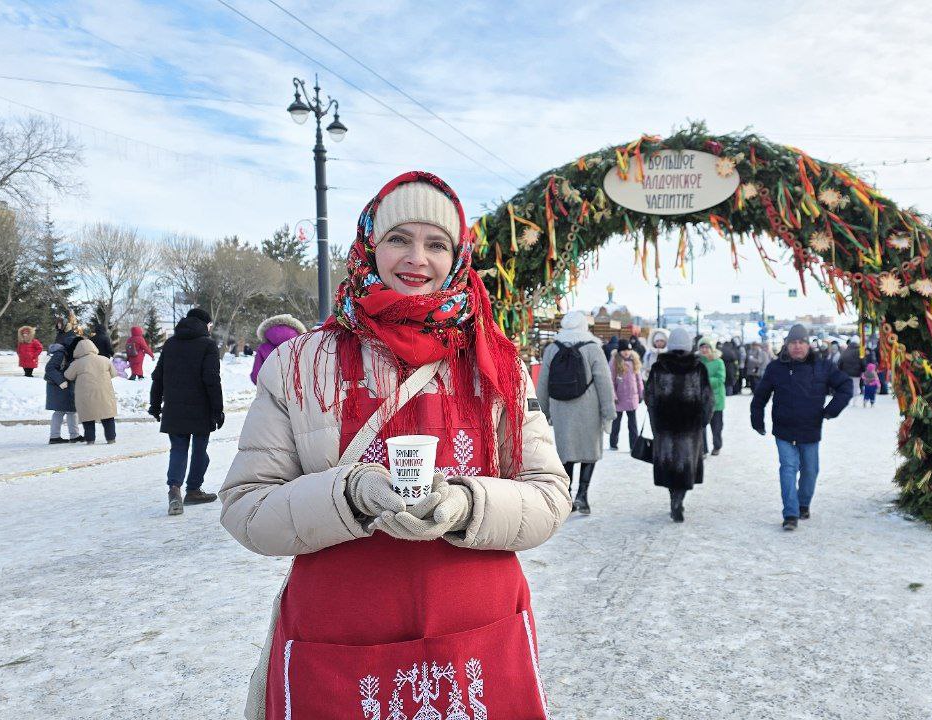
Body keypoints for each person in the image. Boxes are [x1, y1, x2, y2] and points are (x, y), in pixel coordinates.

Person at [219, 172, 570, 720]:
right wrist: (348, 495)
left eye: (436, 244)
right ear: (369, 246)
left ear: (457, 257)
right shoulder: (301, 366)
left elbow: (549, 497)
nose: (416, 258)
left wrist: (468, 504)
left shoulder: (497, 367)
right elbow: (247, 507)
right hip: (338, 636)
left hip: (478, 636)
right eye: (399, 239)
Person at [751, 324, 853, 531]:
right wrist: (757, 419)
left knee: (810, 471)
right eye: (793, 343)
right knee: (788, 469)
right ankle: (790, 513)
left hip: (810, 428)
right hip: (784, 429)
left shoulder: (823, 366)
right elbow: (760, 396)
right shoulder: (775, 368)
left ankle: (803, 503)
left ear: (808, 345)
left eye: (801, 342)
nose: (797, 346)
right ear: (787, 345)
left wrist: (830, 410)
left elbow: (846, 386)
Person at [537, 310, 615, 515]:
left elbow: (543, 382)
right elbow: (604, 382)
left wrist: (542, 411)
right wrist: (609, 413)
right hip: (589, 406)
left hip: (561, 407)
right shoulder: (593, 347)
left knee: (566, 452)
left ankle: (567, 496)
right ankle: (583, 495)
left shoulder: (553, 348)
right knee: (590, 451)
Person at [149, 307, 224, 515]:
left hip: (174, 409)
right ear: (204, 324)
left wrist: (154, 404)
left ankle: (174, 490)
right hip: (201, 409)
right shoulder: (208, 345)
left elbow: (158, 377)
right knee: (200, 451)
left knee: (178, 450)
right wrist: (218, 410)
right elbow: (211, 379)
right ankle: (193, 490)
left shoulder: (171, 344)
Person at [645, 326, 713, 523]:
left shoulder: (659, 367)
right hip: (689, 427)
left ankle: (673, 498)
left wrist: (655, 420)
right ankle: (679, 499)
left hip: (664, 426)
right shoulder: (698, 367)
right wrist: (703, 421)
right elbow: (708, 398)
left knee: (668, 464)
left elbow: (649, 396)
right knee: (685, 464)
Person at [63, 338, 117, 445]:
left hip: (85, 396)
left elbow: (68, 376)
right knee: (108, 416)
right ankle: (111, 438)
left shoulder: (77, 363)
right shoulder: (105, 359)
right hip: (104, 393)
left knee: (88, 417)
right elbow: (114, 373)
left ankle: (90, 439)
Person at [43, 333, 82, 444]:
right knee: (61, 411)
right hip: (58, 386)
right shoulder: (61, 354)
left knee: (71, 410)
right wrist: (61, 381)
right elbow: (50, 369)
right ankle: (55, 437)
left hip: (66, 385)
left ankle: (73, 435)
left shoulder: (71, 354)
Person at [250, 314, 306, 385]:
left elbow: (256, 376)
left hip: (270, 389)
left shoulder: (263, 348)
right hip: (296, 390)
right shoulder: (300, 347)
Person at [610, 347, 645, 453]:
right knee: (616, 423)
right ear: (620, 351)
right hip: (619, 398)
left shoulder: (634, 360)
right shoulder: (615, 361)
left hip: (632, 397)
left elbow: (639, 380)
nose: (626, 352)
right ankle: (613, 443)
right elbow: (610, 380)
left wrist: (641, 393)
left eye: (628, 350)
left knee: (633, 424)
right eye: (624, 350)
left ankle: (633, 445)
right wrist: (613, 396)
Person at [697, 337, 727, 456]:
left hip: (716, 400)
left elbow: (720, 379)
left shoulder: (718, 361)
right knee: (701, 427)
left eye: (706, 347)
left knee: (716, 427)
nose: (704, 350)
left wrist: (704, 381)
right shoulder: (698, 362)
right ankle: (703, 449)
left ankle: (717, 445)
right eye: (702, 347)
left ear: (711, 348)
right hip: (701, 399)